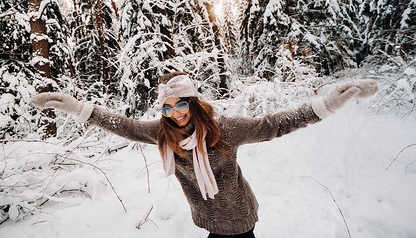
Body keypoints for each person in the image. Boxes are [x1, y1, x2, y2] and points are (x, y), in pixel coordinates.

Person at [32, 71, 378, 237]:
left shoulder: (224, 129)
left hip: (239, 220)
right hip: (208, 219)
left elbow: (274, 124)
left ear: (194, 102)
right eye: (167, 108)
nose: (175, 113)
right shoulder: (162, 132)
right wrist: (78, 108)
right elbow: (124, 125)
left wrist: (328, 104)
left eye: (181, 104)